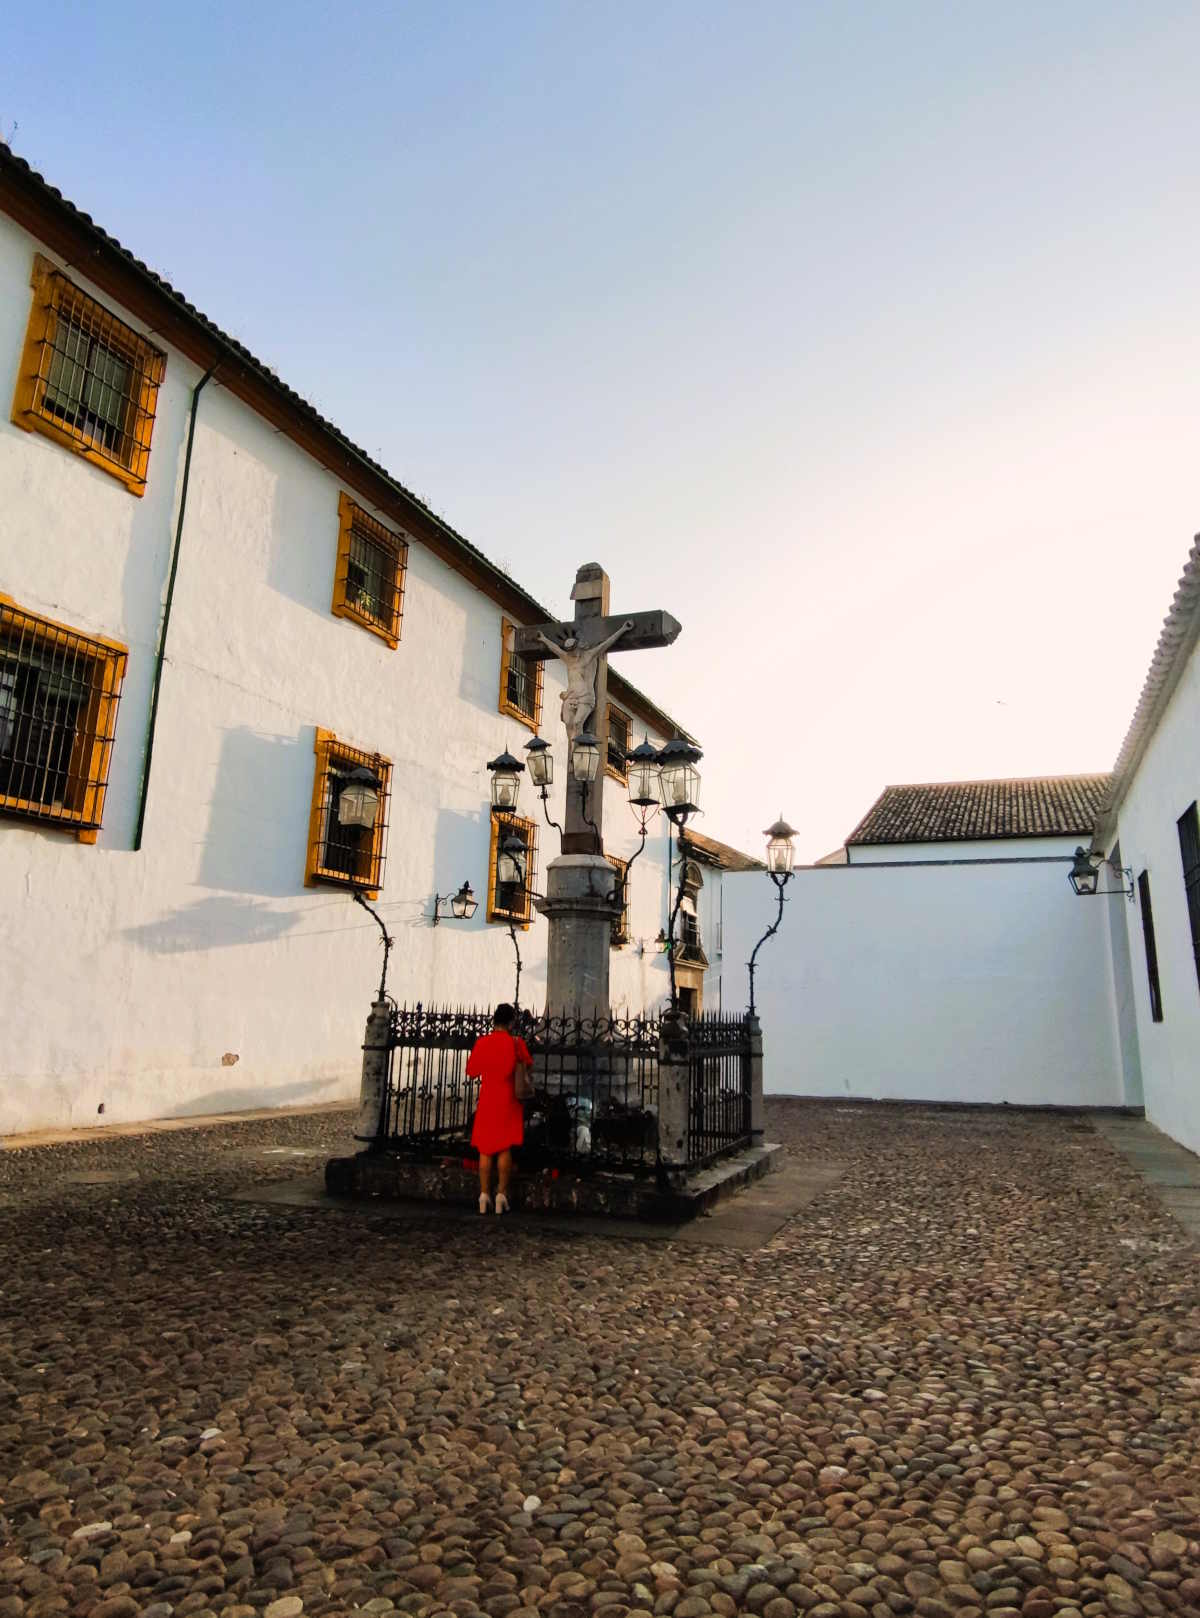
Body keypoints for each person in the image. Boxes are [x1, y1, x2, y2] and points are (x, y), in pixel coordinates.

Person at [467, 1003, 533, 1214]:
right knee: (505, 1148)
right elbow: (528, 1064)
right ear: (512, 1022)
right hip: (508, 1100)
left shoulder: (483, 1042)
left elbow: (472, 1071)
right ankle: (501, 1195)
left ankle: (484, 1195)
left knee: (485, 1150)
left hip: (488, 1099)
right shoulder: (516, 1043)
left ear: (494, 1020)